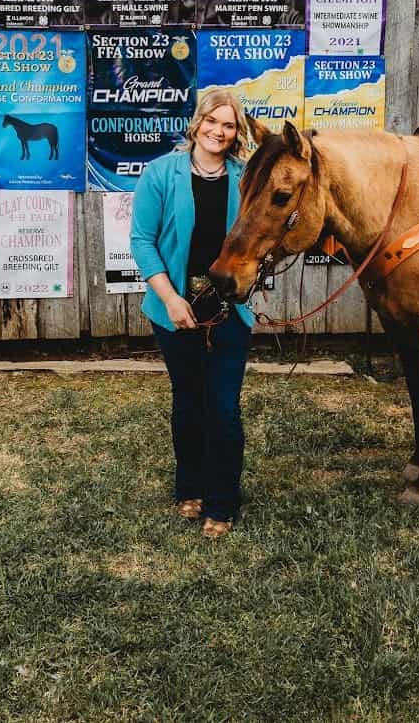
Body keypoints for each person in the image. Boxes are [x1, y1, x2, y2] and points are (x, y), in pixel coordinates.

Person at [130, 89, 257, 539]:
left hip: (228, 312)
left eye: (229, 125)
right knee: (188, 404)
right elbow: (142, 242)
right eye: (212, 121)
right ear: (197, 122)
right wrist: (169, 298)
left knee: (223, 409)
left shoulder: (245, 180)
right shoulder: (161, 174)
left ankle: (221, 502)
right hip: (174, 310)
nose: (219, 131)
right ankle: (190, 487)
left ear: (236, 132)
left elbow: (260, 240)